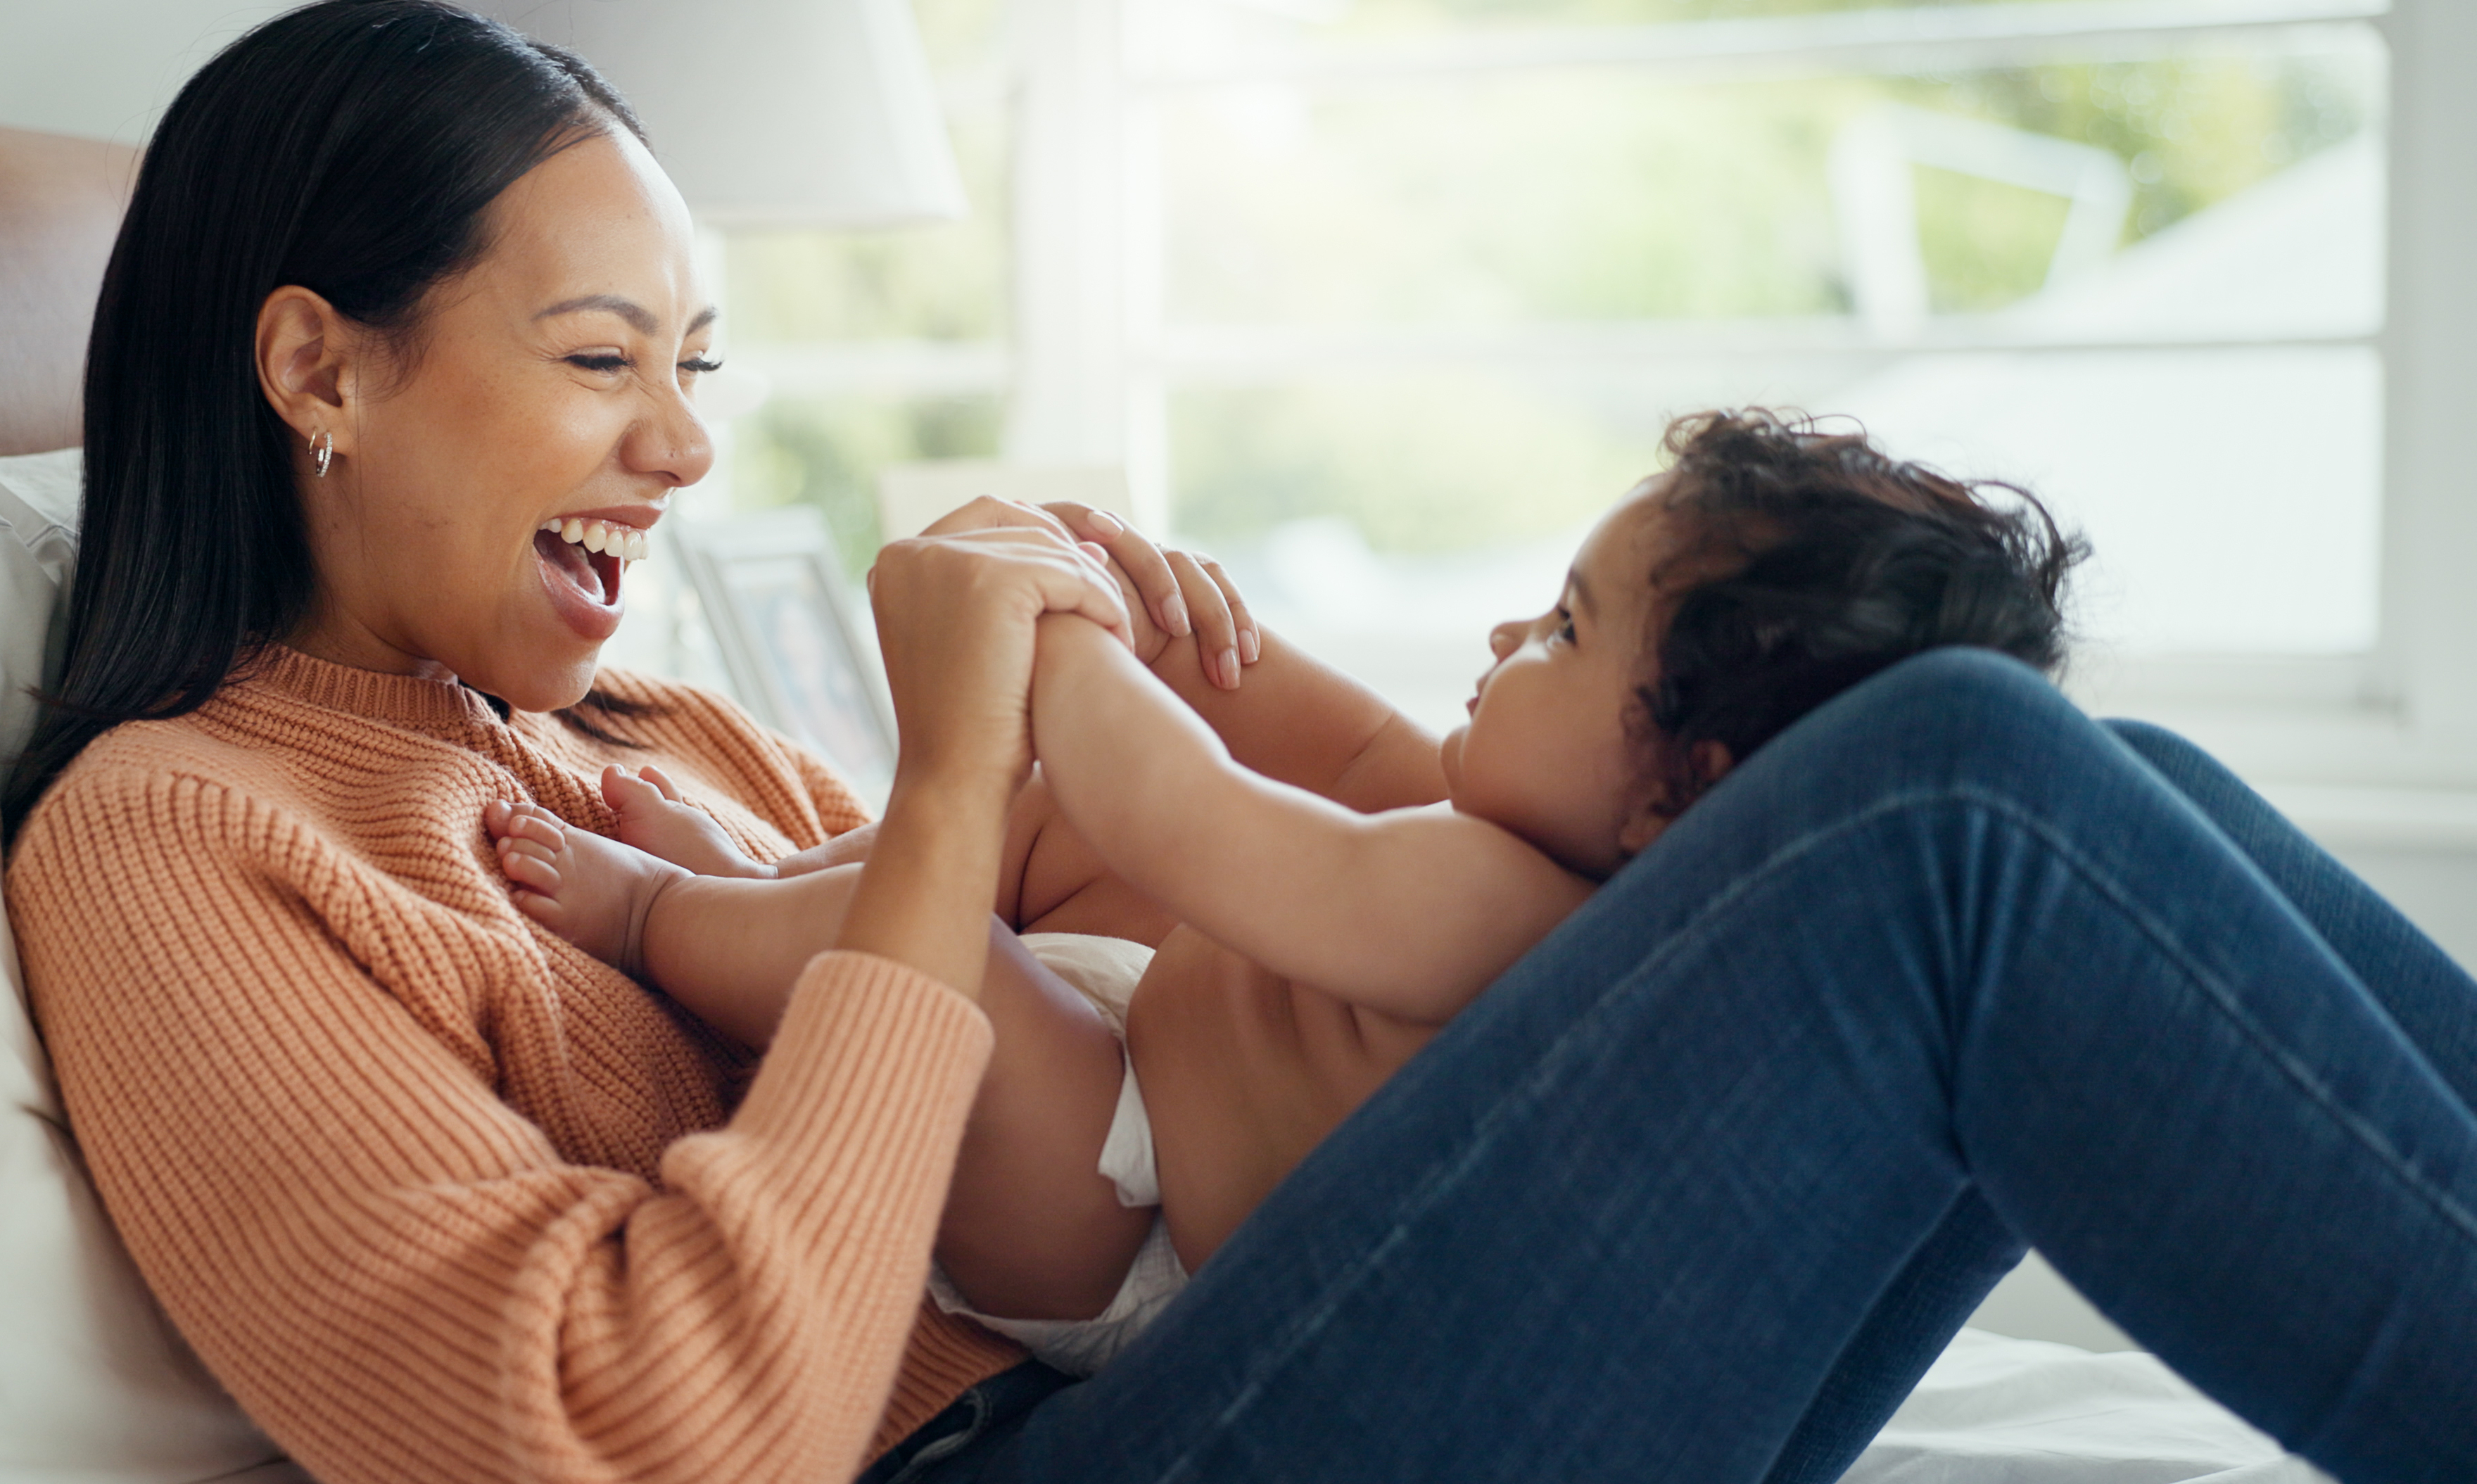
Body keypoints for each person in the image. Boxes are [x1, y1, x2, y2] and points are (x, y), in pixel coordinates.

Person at [1, 4, 2477, 1483]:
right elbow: (641, 1440)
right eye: (597, 363)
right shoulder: (181, 842)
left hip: (1203, 1336)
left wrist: (1177, 699)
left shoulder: (637, 712)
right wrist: (956, 792)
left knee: (2066, 799)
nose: (683, 455)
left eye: (701, 372)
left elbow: (1192, 993)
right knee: (1958, 805)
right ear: (317, 365)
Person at [476, 409, 2086, 1379]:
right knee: (1020, 830)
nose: (1501, 644)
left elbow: (1186, 818)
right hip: (1132, 1063)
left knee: (952, 959)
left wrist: (1059, 641)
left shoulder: (1506, 916)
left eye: (1562, 633)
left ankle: (659, 921)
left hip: (1121, 1229)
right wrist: (1169, 614)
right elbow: (1351, 738)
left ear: (1687, 793)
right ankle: (768, 883)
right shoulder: (1527, 846)